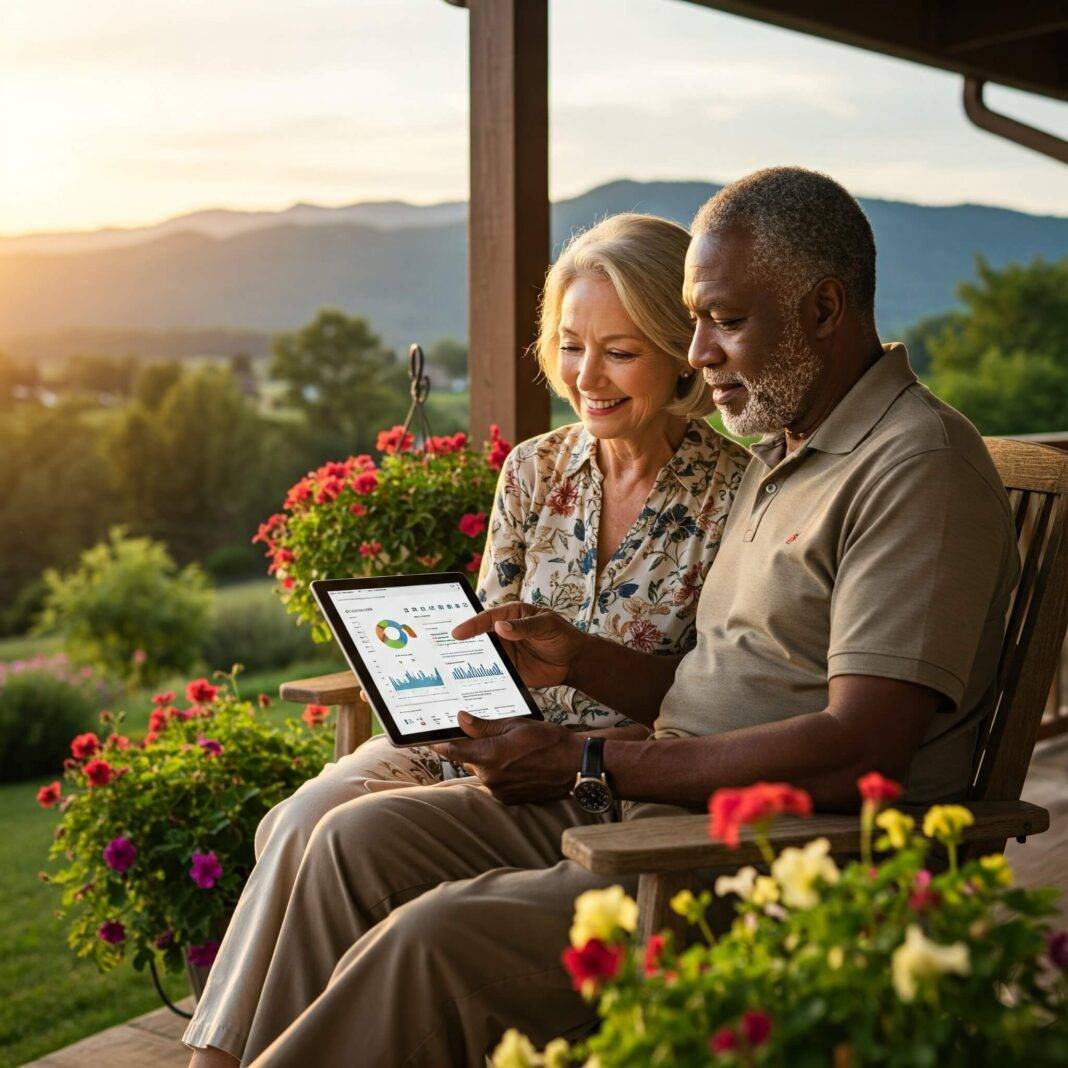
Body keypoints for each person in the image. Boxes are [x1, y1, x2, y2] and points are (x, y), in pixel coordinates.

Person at [226, 168, 1019, 1068]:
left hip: (748, 854)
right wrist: (581, 660)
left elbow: (862, 747)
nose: (698, 352)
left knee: (430, 943)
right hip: (639, 795)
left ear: (826, 309)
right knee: (350, 841)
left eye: (724, 319)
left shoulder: (915, 466)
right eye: (691, 321)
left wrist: (587, 757)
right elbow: (700, 686)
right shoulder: (787, 451)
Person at [184, 212, 750, 1066]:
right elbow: (478, 634)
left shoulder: (732, 494)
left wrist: (569, 699)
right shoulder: (534, 469)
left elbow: (711, 693)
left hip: (580, 771)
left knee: (335, 840)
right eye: (569, 346)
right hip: (470, 738)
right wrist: (418, 667)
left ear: (679, 351)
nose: (586, 376)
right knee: (300, 817)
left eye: (621, 351)